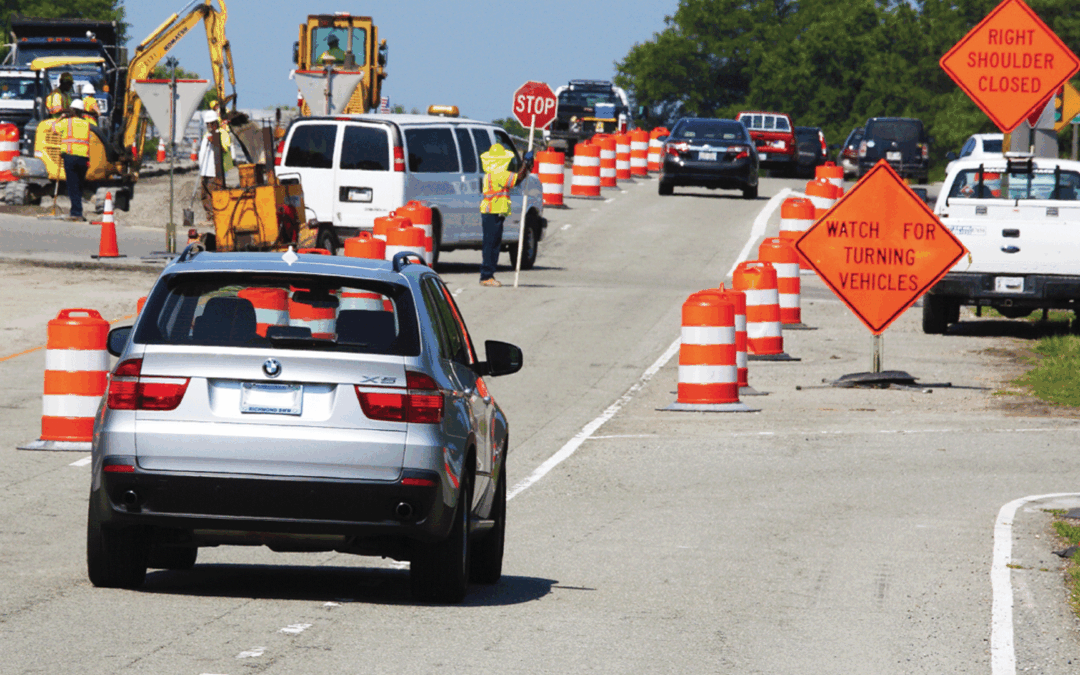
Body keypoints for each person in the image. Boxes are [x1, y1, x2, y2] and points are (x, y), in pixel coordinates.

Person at [478, 143, 531, 287]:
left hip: (490, 212)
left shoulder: (490, 173)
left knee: (491, 244)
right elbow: (517, 179)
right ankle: (487, 276)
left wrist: (525, 166)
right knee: (492, 245)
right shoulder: (499, 174)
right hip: (493, 211)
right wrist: (525, 164)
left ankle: (487, 275)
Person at [58, 99, 91, 221]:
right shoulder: (86, 124)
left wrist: (61, 117)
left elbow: (53, 129)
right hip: (83, 158)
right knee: (79, 186)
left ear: (72, 110)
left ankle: (76, 212)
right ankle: (77, 211)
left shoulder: (67, 122)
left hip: (70, 157)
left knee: (72, 186)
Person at [197, 109, 231, 222]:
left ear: (216, 122)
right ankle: (209, 215)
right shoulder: (207, 135)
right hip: (204, 170)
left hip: (214, 171)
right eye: (208, 124)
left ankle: (216, 216)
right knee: (204, 195)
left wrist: (215, 141)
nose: (209, 126)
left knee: (214, 194)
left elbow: (225, 150)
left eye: (211, 123)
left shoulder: (223, 133)